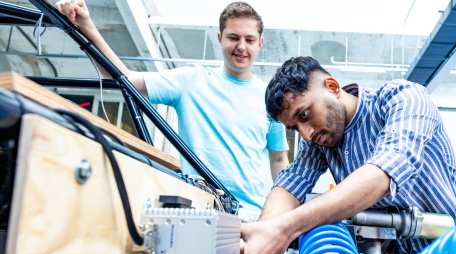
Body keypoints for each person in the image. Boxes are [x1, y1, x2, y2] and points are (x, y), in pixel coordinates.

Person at [238, 56, 456, 254]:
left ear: (332, 87)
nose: (306, 135)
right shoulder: (321, 142)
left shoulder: (402, 98)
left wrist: (283, 230)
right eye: (295, 128)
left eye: (305, 115)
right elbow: (290, 184)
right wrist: (260, 236)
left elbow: (383, 173)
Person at [55, 0, 289, 213]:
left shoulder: (269, 97)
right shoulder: (190, 81)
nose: (241, 46)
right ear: (219, 38)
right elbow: (123, 77)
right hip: (199, 211)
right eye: (233, 37)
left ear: (260, 42)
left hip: (253, 218)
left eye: (249, 39)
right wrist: (87, 27)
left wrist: (278, 215)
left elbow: (278, 160)